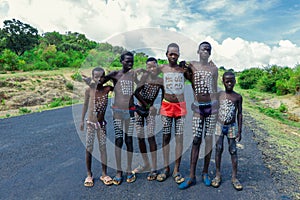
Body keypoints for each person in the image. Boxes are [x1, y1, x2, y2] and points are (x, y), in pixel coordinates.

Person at [179, 41, 218, 189]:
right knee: (196, 140)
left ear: (210, 52)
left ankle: (205, 173)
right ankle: (191, 176)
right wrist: (184, 68)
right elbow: (188, 78)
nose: (205, 51)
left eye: (208, 49)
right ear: (198, 50)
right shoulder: (192, 65)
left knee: (208, 141)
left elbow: (215, 88)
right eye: (203, 49)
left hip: (212, 108)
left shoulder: (214, 69)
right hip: (198, 108)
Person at [102, 51, 140, 185]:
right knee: (119, 141)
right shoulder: (114, 74)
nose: (130, 63)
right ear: (121, 61)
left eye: (132, 61)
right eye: (127, 61)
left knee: (129, 141)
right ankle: (119, 172)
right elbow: (100, 82)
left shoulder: (132, 75)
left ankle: (129, 170)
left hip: (130, 112)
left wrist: (144, 105)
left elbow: (138, 87)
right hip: (117, 112)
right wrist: (109, 87)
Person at [156, 43, 187, 184]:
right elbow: (148, 78)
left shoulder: (183, 69)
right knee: (166, 137)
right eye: (171, 54)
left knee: (179, 138)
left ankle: (176, 169)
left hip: (180, 107)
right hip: (166, 106)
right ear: (166, 54)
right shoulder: (162, 68)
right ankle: (166, 168)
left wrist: (188, 68)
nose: (173, 56)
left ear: (179, 54)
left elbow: (194, 79)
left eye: (176, 54)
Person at [80, 67, 114, 187]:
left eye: (102, 77)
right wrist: (82, 121)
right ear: (92, 77)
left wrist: (109, 77)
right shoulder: (89, 90)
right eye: (96, 77)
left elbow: (116, 82)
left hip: (101, 125)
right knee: (89, 148)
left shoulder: (107, 89)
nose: (99, 79)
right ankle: (89, 174)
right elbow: (85, 105)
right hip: (90, 124)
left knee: (103, 148)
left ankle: (104, 174)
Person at [132, 57, 164, 181]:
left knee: (151, 136)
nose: (151, 69)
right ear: (146, 68)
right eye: (149, 67)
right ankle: (146, 164)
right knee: (140, 138)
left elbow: (164, 95)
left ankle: (154, 167)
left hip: (150, 111)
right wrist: (148, 105)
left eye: (153, 66)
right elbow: (136, 93)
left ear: (157, 66)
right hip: (140, 110)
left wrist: (161, 108)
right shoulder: (145, 77)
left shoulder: (160, 81)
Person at [211, 71, 243, 190]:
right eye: (227, 81)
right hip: (219, 125)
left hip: (232, 126)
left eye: (231, 81)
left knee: (233, 150)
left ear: (235, 81)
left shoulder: (237, 97)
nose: (229, 83)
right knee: (218, 149)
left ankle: (234, 177)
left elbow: (240, 114)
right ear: (223, 82)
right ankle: (217, 175)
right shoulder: (219, 95)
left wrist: (239, 130)